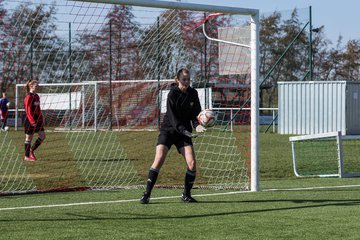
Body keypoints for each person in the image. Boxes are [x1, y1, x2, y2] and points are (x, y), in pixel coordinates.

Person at [140, 68, 207, 204]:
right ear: (177, 80)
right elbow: (173, 118)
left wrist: (197, 124)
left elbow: (196, 113)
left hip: (184, 133)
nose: (186, 82)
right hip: (169, 130)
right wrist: (185, 130)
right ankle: (146, 194)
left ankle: (186, 195)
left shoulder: (193, 93)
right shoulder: (172, 94)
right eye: (184, 79)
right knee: (159, 159)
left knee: (192, 163)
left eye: (188, 79)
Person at [23, 80, 46, 161]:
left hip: (38, 120)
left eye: (37, 86)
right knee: (29, 138)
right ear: (31, 86)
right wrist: (32, 121)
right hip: (30, 120)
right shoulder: (28, 97)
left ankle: (31, 150)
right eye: (36, 86)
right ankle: (26, 156)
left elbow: (38, 109)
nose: (37, 87)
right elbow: (28, 110)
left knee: (42, 136)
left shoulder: (36, 96)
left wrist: (41, 118)